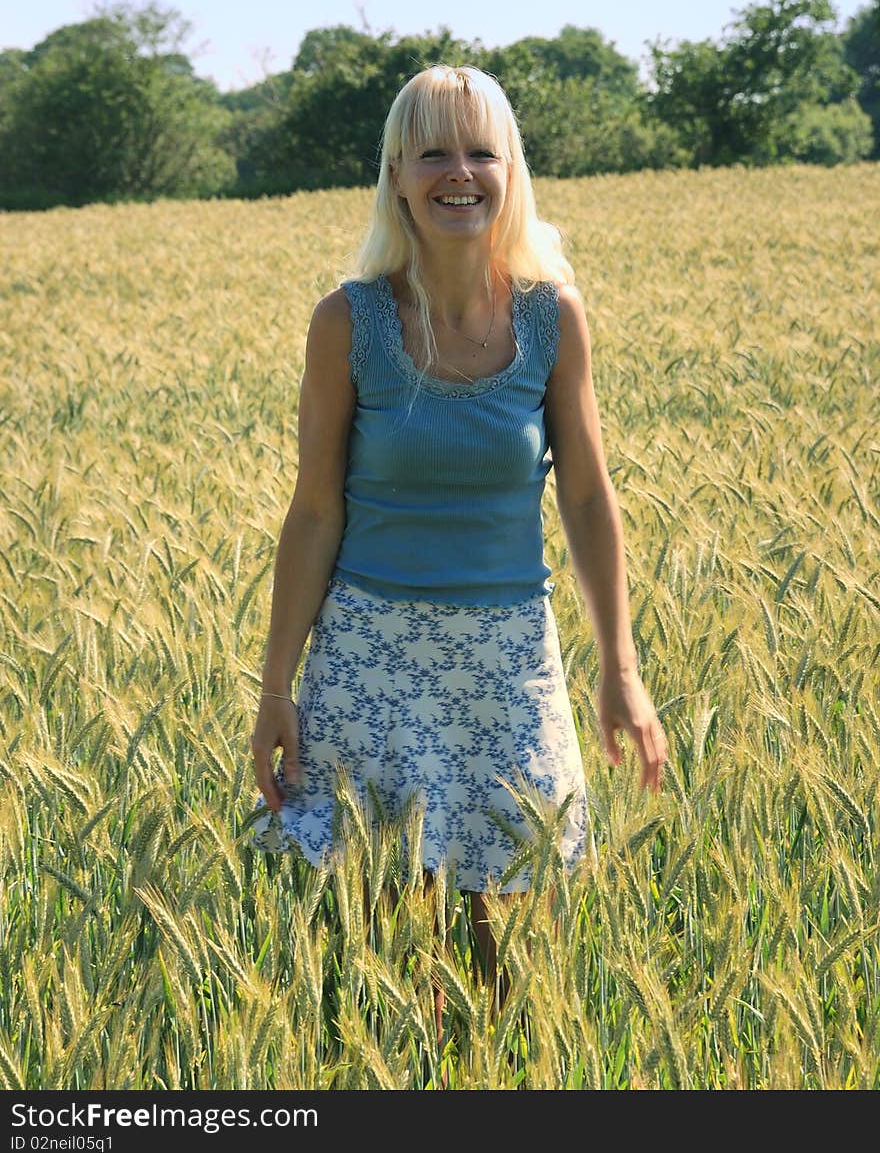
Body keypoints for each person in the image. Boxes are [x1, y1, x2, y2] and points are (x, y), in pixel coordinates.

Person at [249, 63, 667, 1020]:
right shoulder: (346, 321)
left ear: (512, 171)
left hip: (508, 658)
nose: (460, 172)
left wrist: (620, 668)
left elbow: (591, 498)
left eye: (483, 150)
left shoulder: (551, 318)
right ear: (396, 174)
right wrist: (277, 692)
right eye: (433, 151)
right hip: (370, 664)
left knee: (506, 965)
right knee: (396, 962)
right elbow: (315, 512)